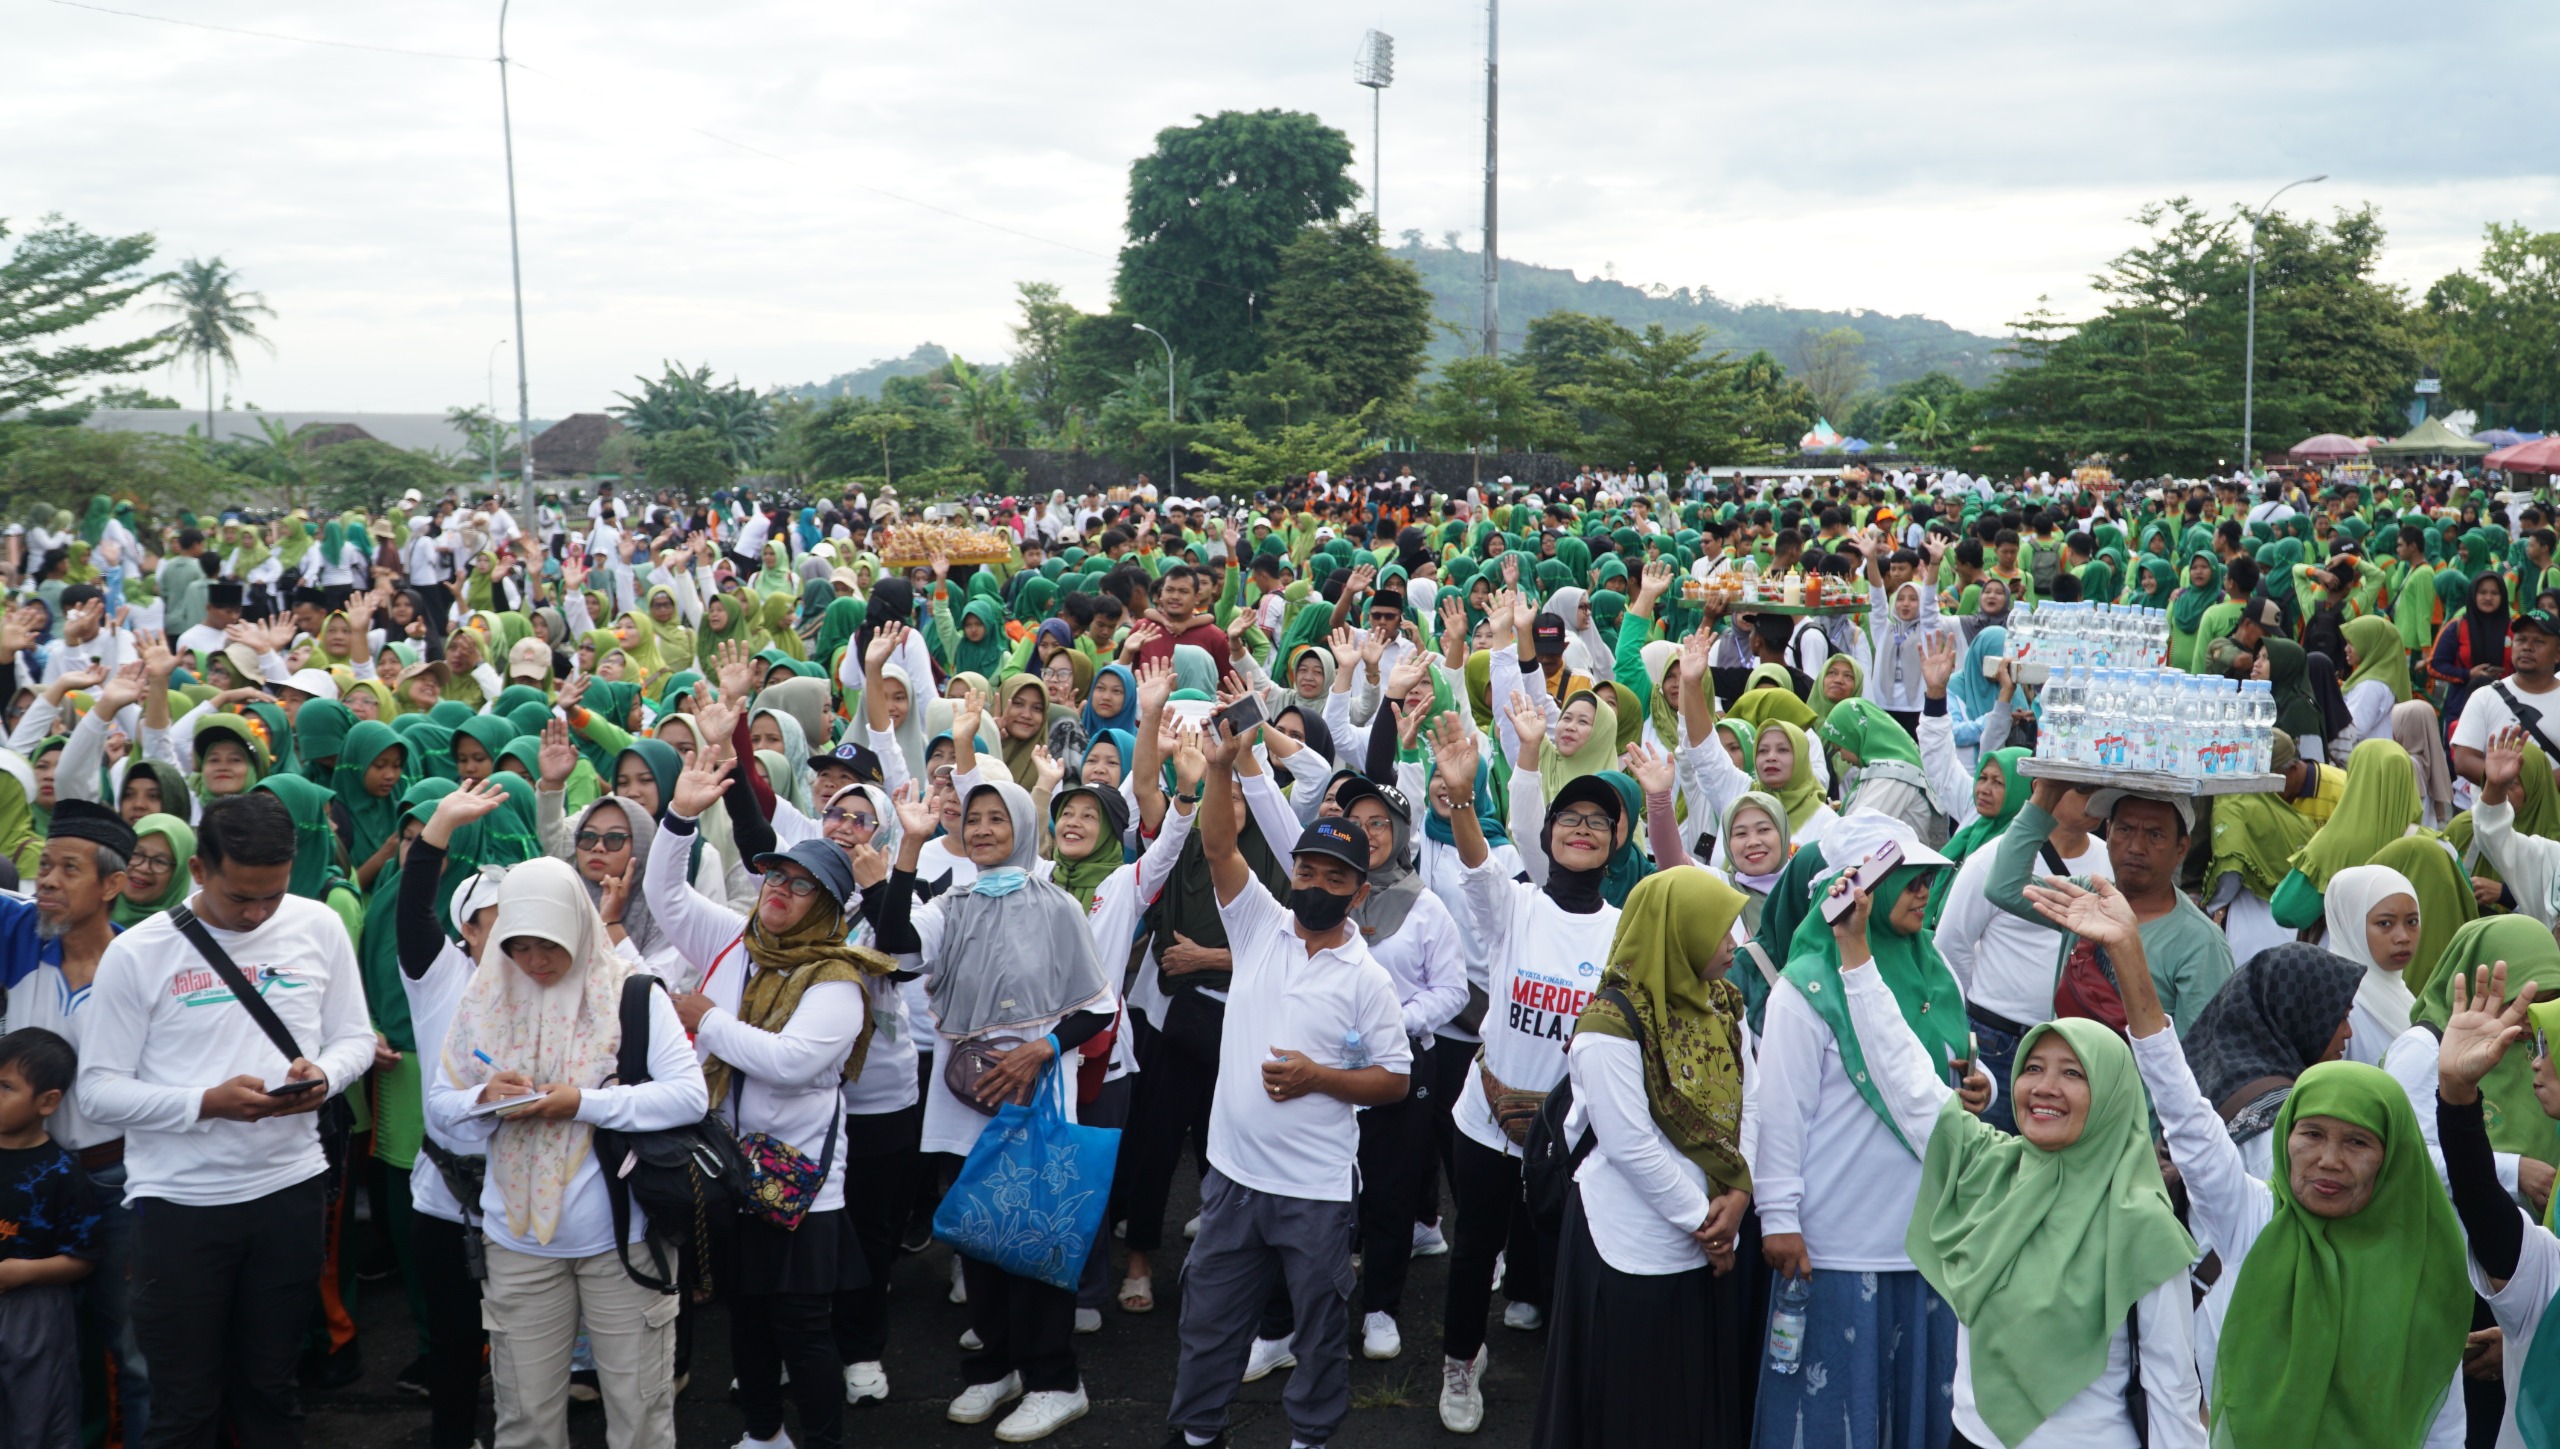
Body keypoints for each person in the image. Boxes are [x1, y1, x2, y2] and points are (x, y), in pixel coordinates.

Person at [2033, 872, 2477, 1448]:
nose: (2329, 1160)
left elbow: (2443, 1426)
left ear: (2392, 1158)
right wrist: (2129, 954)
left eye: (2357, 1143)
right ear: (2285, 1135)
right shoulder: (2255, 1220)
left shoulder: (2422, 1265)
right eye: (2311, 1134)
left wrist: (2462, 1098)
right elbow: (2184, 1112)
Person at [76, 789, 379, 1449]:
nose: (258, 912)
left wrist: (324, 1077)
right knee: (186, 1405)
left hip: (290, 1191)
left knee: (272, 1390)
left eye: (274, 894)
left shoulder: (318, 925)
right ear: (200, 870)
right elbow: (97, 1091)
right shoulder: (140, 952)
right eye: (241, 897)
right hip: (181, 1205)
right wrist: (205, 1103)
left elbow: (355, 1037)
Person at [1840, 907, 2203, 1449]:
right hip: (1973, 1437)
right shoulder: (1990, 1170)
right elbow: (1904, 1076)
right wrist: (1854, 952)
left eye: (2073, 1073)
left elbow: (2173, 1389)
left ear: (2112, 1096)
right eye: (2033, 1068)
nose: (2044, 1087)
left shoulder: (2140, 1220)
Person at [1159, 719, 1410, 1449]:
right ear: (1292, 874)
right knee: (1209, 1321)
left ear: (1358, 893)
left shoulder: (1367, 979)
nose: (1317, 886)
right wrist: (1219, 768)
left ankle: (1310, 1437)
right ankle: (1198, 1433)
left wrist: (1317, 1078)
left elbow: (1395, 1080)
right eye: (1308, 872)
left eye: (1336, 879)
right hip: (1233, 1179)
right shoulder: (1258, 925)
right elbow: (1219, 847)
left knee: (1319, 1330)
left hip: (1315, 1191)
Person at [424, 853, 708, 1449]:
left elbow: (688, 1097)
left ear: (579, 926)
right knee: (525, 1419)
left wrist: (583, 1102)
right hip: (517, 1242)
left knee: (640, 1416)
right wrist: (483, 1097)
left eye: (549, 945)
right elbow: (442, 1104)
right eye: (519, 946)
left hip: (623, 1241)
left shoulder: (630, 991)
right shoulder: (486, 995)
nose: (535, 962)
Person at [649, 758, 891, 1449]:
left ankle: (821, 1440)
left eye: (800, 883)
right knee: (747, 1318)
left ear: (830, 903)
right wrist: (680, 817)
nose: (780, 890)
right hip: (730, 1172)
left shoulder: (838, 978)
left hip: (801, 1184)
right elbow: (664, 895)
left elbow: (791, 1063)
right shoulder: (736, 938)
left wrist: (707, 1020)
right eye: (774, 877)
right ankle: (763, 1434)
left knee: (802, 1329)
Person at [876, 776, 1116, 1443]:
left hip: (1035, 1092)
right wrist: (909, 847)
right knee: (977, 1235)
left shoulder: (1057, 904)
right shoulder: (949, 903)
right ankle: (996, 1365)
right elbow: (895, 945)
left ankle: (1056, 1381)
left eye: (997, 818)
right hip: (966, 1096)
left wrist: (1041, 1048)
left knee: (1034, 1237)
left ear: (1022, 827)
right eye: (973, 819)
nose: (981, 829)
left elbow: (1098, 1007)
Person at [1425, 709, 1627, 1432]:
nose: (1582, 828)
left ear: (1617, 841)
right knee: (1474, 1246)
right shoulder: (1514, 907)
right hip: (1485, 1117)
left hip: (1573, 1133)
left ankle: (1572, 1376)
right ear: (1547, 836)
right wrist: (1461, 796)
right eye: (1569, 817)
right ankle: (1460, 1361)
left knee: (1569, 1255)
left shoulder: (1624, 929)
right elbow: (1477, 861)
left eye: (1598, 821)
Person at [1752, 820, 1980, 1449]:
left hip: (1928, 1239)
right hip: (1838, 1244)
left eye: (1928, 878)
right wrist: (1779, 1217)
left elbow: (1951, 1060)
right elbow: (1782, 1112)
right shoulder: (1806, 988)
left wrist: (1978, 1085)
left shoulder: (1935, 968)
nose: (1925, 891)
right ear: (1860, 891)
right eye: (1909, 879)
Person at [1531, 869, 1756, 1449]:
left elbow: (1751, 1101)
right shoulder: (1609, 1025)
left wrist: (1738, 1194)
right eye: (1720, 930)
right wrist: (1709, 1224)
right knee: (1630, 1405)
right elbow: (1630, 1145)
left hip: (1709, 1236)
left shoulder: (1721, 1004)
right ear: (1678, 933)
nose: (1733, 943)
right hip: (1631, 1243)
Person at [0, 1026, 99, 1449]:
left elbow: (84, 1258)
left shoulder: (61, 1173)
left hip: (33, 1312)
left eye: (5, 1087)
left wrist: (24, 1273)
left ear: (47, 1101)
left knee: (37, 1417)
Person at [2322, 863, 2425, 1067]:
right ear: (2352, 925)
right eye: (2385, 923)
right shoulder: (2338, 1004)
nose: (2403, 937)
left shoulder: (2398, 994)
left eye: (2412, 922)